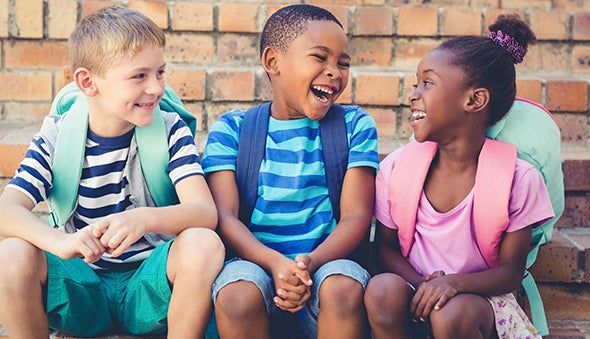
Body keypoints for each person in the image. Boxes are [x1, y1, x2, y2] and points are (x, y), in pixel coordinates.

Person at [0, 6, 223, 337]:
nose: (156, 88)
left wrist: (144, 219)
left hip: (148, 289)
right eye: (139, 76)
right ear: (88, 82)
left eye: (160, 73)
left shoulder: (170, 129)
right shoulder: (57, 136)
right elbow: (6, 210)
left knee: (204, 243)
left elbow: (205, 213)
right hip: (81, 287)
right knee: (12, 251)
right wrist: (58, 242)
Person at [364, 14, 555, 339]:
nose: (413, 94)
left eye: (428, 83)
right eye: (416, 83)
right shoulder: (396, 170)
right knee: (382, 289)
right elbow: (384, 249)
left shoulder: (518, 179)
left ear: (474, 100)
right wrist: (424, 282)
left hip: (480, 304)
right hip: (416, 292)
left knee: (450, 313)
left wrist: (453, 284)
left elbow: (510, 273)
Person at [201, 4, 380, 339]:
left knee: (343, 284)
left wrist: (306, 265)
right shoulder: (233, 130)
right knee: (236, 292)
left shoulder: (355, 125)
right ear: (273, 62)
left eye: (343, 63)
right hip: (257, 269)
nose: (334, 72)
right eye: (320, 57)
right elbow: (224, 216)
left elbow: (357, 216)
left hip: (326, 267)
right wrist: (274, 265)